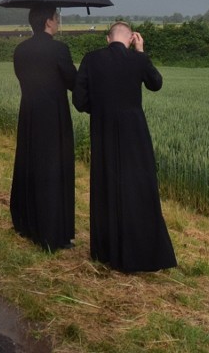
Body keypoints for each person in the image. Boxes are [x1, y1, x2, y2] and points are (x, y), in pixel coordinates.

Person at [72, 21, 177, 272]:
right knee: (137, 186)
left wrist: (99, 110)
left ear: (108, 39)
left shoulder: (91, 59)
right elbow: (156, 83)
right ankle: (140, 251)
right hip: (134, 132)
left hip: (103, 129)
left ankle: (105, 251)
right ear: (131, 39)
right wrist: (141, 52)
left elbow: (79, 100)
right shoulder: (137, 59)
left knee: (105, 184)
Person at [10, 5, 77, 251]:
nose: (58, 21)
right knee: (53, 169)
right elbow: (73, 81)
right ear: (48, 22)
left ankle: (26, 224)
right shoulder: (59, 49)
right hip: (53, 117)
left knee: (29, 164)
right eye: (56, 18)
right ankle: (52, 233)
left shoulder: (20, 50)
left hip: (28, 114)